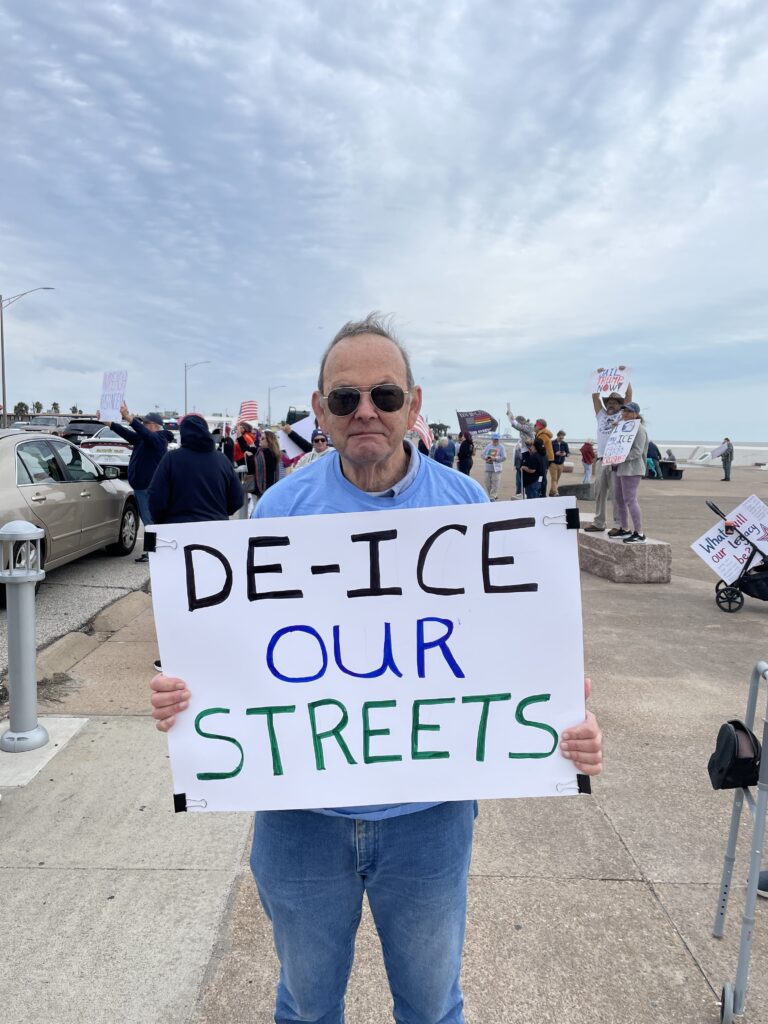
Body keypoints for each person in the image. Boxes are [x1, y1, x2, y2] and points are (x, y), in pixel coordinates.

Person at [150, 314, 603, 1024]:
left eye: (385, 397)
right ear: (320, 409)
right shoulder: (278, 510)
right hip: (300, 819)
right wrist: (187, 693)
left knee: (430, 1009)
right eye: (346, 398)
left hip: (429, 818)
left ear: (414, 406)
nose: (366, 411)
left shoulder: (467, 507)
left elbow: (508, 652)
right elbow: (237, 644)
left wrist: (562, 716)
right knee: (306, 1007)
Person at [147, 413, 244, 525]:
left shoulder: (171, 459)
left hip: (178, 530)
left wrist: (163, 520)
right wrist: (219, 513)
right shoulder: (223, 460)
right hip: (216, 529)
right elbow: (237, 498)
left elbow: (155, 497)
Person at [107, 403, 172, 562]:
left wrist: (129, 417)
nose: (142, 425)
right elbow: (127, 433)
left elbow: (144, 433)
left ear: (154, 426)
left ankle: (152, 553)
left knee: (149, 521)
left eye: (145, 423)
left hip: (146, 487)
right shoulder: (146, 439)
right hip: (142, 486)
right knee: (149, 520)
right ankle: (154, 552)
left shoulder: (158, 439)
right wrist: (109, 423)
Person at [583, 369, 633, 534]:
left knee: (616, 494)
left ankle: (619, 524)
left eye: (615, 402)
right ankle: (599, 522)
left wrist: (624, 377)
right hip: (601, 459)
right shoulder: (601, 415)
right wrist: (598, 377)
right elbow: (594, 397)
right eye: (609, 402)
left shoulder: (622, 415)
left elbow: (628, 395)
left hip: (615, 459)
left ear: (620, 405)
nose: (611, 404)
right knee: (599, 492)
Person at [609, 402, 649, 543]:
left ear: (636, 414)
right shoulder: (622, 427)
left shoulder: (640, 430)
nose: (625, 413)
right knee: (619, 499)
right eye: (624, 411)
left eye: (628, 411)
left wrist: (619, 458)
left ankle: (639, 533)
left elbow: (637, 451)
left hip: (632, 468)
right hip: (620, 467)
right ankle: (624, 528)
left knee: (630, 499)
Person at [253, 428, 282, 498]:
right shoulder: (273, 452)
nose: (260, 439)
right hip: (271, 487)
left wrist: (249, 457)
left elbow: (252, 466)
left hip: (263, 487)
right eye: (260, 437)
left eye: (262, 438)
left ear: (269, 441)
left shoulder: (266, 453)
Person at [481, 431, 507, 500]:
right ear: (492, 439)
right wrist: (486, 457)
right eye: (494, 439)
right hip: (488, 468)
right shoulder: (488, 446)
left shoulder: (501, 447)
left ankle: (492, 496)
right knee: (487, 483)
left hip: (497, 469)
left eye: (497, 439)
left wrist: (495, 459)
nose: (495, 440)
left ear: (499, 439)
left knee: (495, 483)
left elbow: (504, 457)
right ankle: (492, 495)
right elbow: (482, 454)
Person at [533, 419, 554, 497]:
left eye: (535, 425)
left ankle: (542, 493)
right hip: (545, 457)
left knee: (542, 476)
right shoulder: (540, 434)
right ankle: (541, 491)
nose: (534, 426)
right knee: (541, 475)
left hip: (546, 458)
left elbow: (539, 444)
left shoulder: (543, 435)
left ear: (539, 426)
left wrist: (531, 442)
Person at [550, 431, 570, 496]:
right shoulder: (552, 443)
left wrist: (565, 454)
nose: (562, 439)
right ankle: (556, 492)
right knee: (554, 479)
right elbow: (548, 453)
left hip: (561, 463)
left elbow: (568, 453)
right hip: (553, 463)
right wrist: (555, 453)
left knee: (557, 479)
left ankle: (551, 492)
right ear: (558, 436)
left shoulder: (565, 444)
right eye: (560, 437)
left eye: (563, 437)